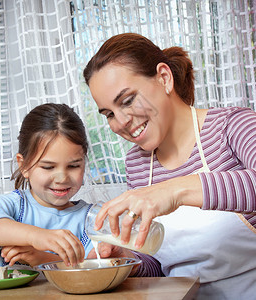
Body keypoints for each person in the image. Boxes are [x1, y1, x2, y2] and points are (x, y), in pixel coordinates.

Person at [83, 33, 256, 299]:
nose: (120, 122)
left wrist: (174, 191)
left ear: (164, 78)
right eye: (108, 114)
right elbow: (162, 264)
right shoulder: (137, 164)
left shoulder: (233, 126)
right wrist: (128, 258)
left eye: (127, 100)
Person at [0, 103, 93, 268]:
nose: (62, 178)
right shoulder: (14, 206)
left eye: (73, 166)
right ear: (24, 165)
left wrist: (41, 259)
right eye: (48, 167)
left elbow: (93, 267)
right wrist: (36, 237)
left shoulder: (91, 218)